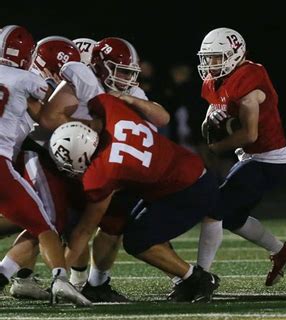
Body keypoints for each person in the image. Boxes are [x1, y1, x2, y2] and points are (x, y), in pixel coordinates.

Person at [48, 94, 221, 302]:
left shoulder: (101, 174)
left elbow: (85, 230)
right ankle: (97, 285)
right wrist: (124, 97)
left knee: (139, 241)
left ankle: (198, 278)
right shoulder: (109, 107)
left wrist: (60, 275)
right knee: (116, 219)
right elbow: (161, 116)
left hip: (188, 190)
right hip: (186, 170)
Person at [198, 27, 286, 286]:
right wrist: (211, 121)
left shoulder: (249, 78)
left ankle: (199, 276)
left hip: (270, 159)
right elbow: (211, 116)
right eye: (208, 57)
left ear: (235, 54)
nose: (211, 63)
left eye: (217, 57)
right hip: (251, 158)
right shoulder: (214, 80)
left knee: (214, 210)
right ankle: (281, 251)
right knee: (232, 218)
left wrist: (217, 148)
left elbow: (250, 135)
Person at [0, 25, 90, 306]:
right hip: (24, 157)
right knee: (47, 222)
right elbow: (51, 117)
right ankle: (50, 278)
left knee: (40, 219)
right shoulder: (30, 80)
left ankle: (21, 276)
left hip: (20, 155)